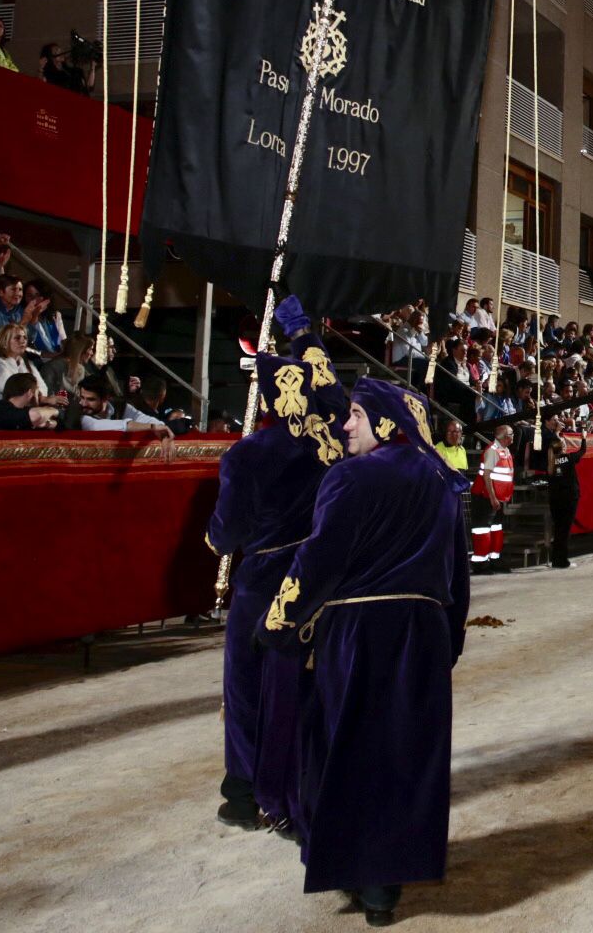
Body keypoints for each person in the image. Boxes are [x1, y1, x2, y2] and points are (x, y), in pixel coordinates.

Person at [253, 377, 471, 927]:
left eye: (354, 414)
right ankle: (388, 882)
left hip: (358, 632)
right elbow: (459, 576)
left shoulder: (348, 477)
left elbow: (318, 561)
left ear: (386, 422)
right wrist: (447, 641)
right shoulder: (444, 481)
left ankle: (356, 869)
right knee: (406, 754)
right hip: (424, 633)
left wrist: (277, 625)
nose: (345, 425)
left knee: (350, 747)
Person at [208, 297, 347, 833]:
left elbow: (227, 534)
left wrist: (212, 536)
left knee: (245, 687)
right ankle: (294, 786)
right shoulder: (329, 439)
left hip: (262, 579)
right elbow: (328, 385)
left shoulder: (246, 455)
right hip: (312, 578)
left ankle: (244, 789)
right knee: (296, 684)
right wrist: (301, 331)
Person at [540, 414, 587, 568]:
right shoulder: (567, 459)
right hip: (568, 499)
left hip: (555, 498)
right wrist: (584, 437)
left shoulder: (551, 464)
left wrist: (557, 435)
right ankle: (562, 561)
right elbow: (582, 451)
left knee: (558, 530)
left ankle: (556, 559)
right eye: (564, 444)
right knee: (564, 531)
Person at [469, 423, 514, 572]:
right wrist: (493, 498)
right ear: (506, 437)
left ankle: (494, 559)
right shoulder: (492, 451)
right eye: (512, 434)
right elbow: (487, 476)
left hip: (498, 498)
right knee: (482, 529)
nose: (513, 436)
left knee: (496, 528)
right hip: (485, 497)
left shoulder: (505, 450)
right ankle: (480, 563)